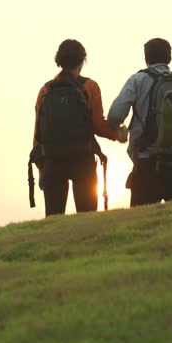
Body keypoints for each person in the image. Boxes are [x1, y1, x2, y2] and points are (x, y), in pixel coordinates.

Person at [107, 38, 172, 207]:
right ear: (169, 58)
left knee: (140, 227)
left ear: (146, 58)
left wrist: (119, 130)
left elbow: (115, 115)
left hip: (147, 165)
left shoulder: (137, 80)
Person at [31, 39, 128, 216]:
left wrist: (41, 168)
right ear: (82, 60)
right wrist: (117, 134)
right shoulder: (89, 86)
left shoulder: (45, 91)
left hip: (53, 161)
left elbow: (38, 134)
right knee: (87, 219)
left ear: (58, 60)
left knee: (54, 221)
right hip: (82, 161)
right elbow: (98, 125)